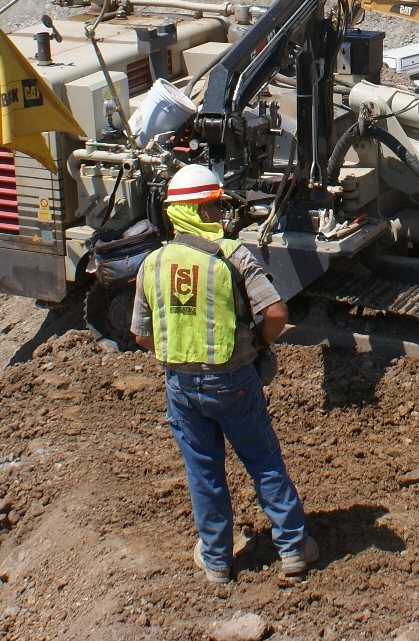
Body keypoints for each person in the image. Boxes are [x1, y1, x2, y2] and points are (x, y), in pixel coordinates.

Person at [132, 164, 320, 583]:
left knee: (203, 470)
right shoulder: (232, 256)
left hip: (180, 384)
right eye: (216, 206)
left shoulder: (153, 262)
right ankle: (293, 549)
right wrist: (258, 344)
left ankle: (216, 560)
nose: (222, 214)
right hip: (233, 382)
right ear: (203, 210)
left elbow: (141, 336)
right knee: (263, 460)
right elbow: (274, 312)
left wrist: (179, 350)